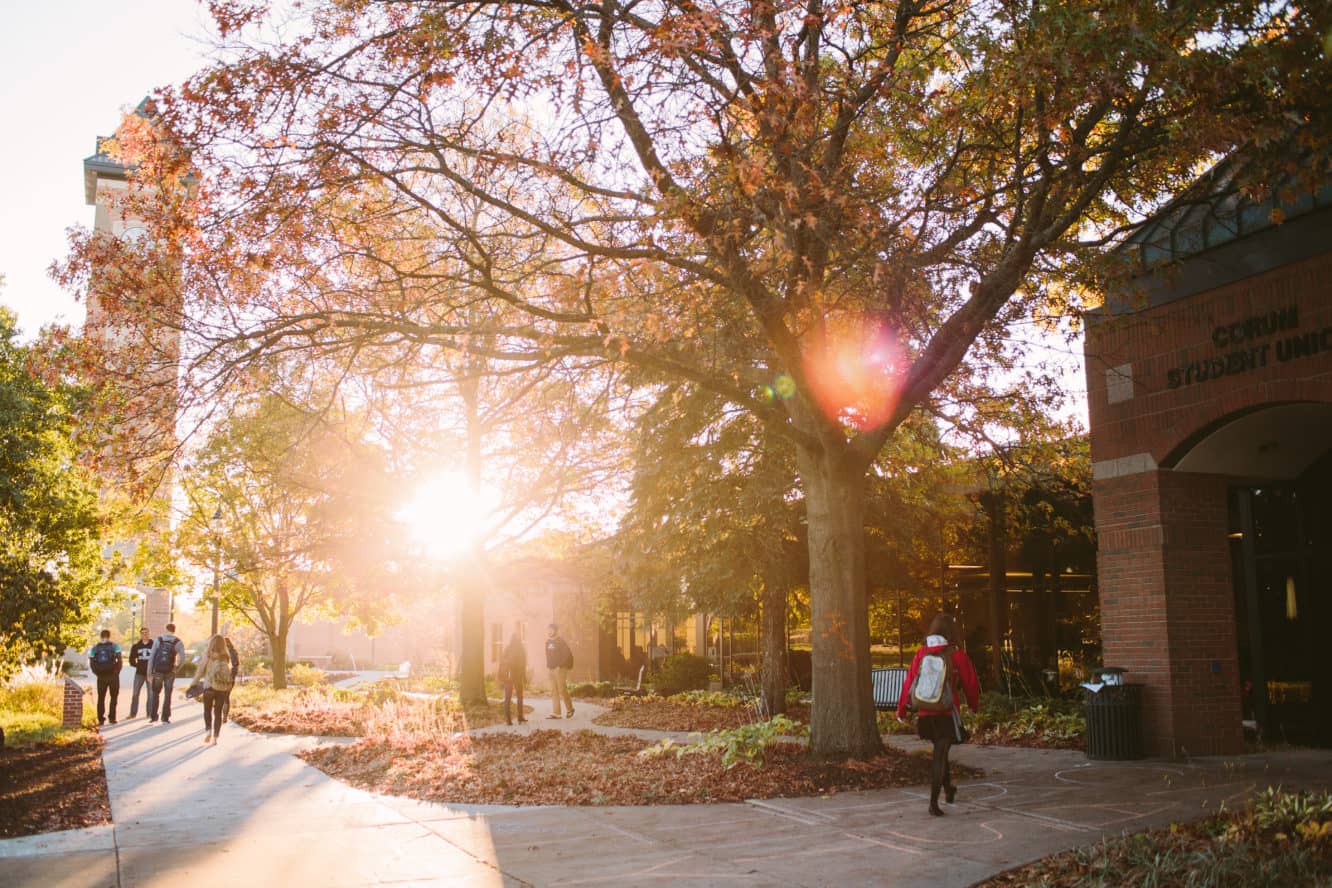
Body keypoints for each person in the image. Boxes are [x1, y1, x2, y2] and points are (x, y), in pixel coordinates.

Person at [897, 613, 980, 817]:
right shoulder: (957, 654)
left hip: (925, 713)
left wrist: (902, 710)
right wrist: (973, 705)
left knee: (941, 752)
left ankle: (949, 790)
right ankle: (934, 802)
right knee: (939, 756)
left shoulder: (922, 653)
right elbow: (971, 683)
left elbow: (909, 683)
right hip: (946, 714)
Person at [190, 634, 237, 745]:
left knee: (207, 710)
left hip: (209, 687)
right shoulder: (226, 656)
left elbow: (200, 670)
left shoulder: (208, 655)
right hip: (221, 687)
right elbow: (228, 672)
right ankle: (216, 737)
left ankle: (208, 731)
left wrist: (193, 684)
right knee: (218, 712)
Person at [146, 623, 186, 724]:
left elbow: (151, 657)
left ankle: (154, 716)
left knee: (155, 693)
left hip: (158, 671)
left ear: (166, 629)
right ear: (174, 630)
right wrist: (177, 668)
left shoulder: (158, 640)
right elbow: (183, 659)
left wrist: (149, 673)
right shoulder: (178, 642)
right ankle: (165, 717)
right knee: (168, 694)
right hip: (170, 672)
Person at [87, 629, 123, 726]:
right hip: (113, 676)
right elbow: (119, 660)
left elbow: (91, 662)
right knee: (114, 697)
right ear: (109, 636)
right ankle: (112, 718)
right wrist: (116, 672)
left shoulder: (95, 648)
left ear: (101, 636)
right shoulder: (115, 646)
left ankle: (101, 719)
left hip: (101, 676)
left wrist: (97, 673)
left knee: (101, 698)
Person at [544, 623, 574, 719]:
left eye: (551, 629)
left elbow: (567, 654)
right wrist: (549, 667)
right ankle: (557, 713)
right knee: (554, 690)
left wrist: (559, 666)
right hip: (551, 669)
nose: (549, 631)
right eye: (548, 629)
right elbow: (548, 656)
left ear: (555, 631)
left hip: (560, 669)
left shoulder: (560, 641)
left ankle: (570, 709)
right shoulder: (548, 642)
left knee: (561, 688)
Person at [498, 631, 527, 726]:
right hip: (517, 676)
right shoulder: (521, 649)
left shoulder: (507, 648)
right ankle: (520, 716)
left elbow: (502, 662)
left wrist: (502, 676)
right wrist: (524, 676)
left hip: (508, 677)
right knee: (519, 696)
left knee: (508, 698)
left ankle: (508, 720)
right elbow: (523, 664)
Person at [127, 627, 154, 719]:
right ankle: (132, 714)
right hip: (139, 673)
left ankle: (150, 713)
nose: (144, 634)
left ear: (149, 633)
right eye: (142, 633)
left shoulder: (154, 645)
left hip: (150, 674)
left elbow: (157, 658)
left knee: (151, 694)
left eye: (146, 632)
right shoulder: (136, 646)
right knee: (135, 693)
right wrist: (137, 665)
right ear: (140, 634)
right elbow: (131, 659)